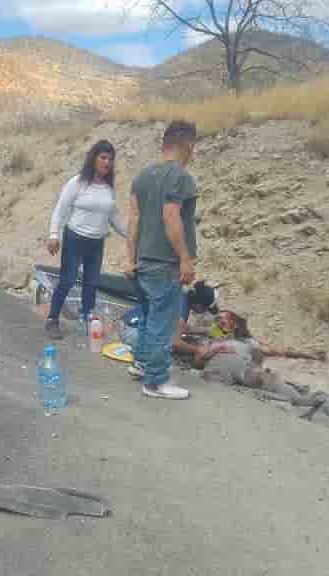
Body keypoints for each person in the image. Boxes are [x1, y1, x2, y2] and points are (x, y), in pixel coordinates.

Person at [124, 120, 200, 400]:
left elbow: (133, 221)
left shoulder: (141, 178)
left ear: (164, 144)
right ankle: (156, 382)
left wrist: (130, 260)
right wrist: (185, 259)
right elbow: (171, 216)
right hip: (165, 263)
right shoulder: (180, 177)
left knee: (147, 318)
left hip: (143, 261)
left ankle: (141, 364)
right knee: (162, 324)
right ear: (188, 146)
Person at [43, 140, 126, 340]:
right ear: (93, 158)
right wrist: (53, 235)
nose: (107, 162)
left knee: (91, 283)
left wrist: (133, 236)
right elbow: (60, 210)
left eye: (110, 159)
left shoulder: (108, 188)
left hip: (96, 243)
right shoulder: (77, 182)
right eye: (103, 157)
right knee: (68, 280)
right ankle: (52, 319)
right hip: (75, 238)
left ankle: (86, 318)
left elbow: (114, 218)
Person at [196, 310, 327, 402]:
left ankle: (299, 399)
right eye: (219, 318)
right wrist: (216, 350)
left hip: (246, 369)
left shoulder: (248, 342)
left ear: (235, 324)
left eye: (226, 318)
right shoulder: (210, 339)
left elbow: (280, 352)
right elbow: (198, 361)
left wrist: (311, 356)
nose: (220, 321)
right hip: (218, 369)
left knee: (268, 378)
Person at [127, 280, 222, 380]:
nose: (205, 312)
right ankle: (145, 368)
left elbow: (178, 327)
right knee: (169, 347)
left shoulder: (180, 296)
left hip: (130, 324)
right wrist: (198, 350)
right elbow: (175, 342)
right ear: (198, 304)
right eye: (205, 309)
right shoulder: (181, 310)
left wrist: (204, 331)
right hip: (133, 333)